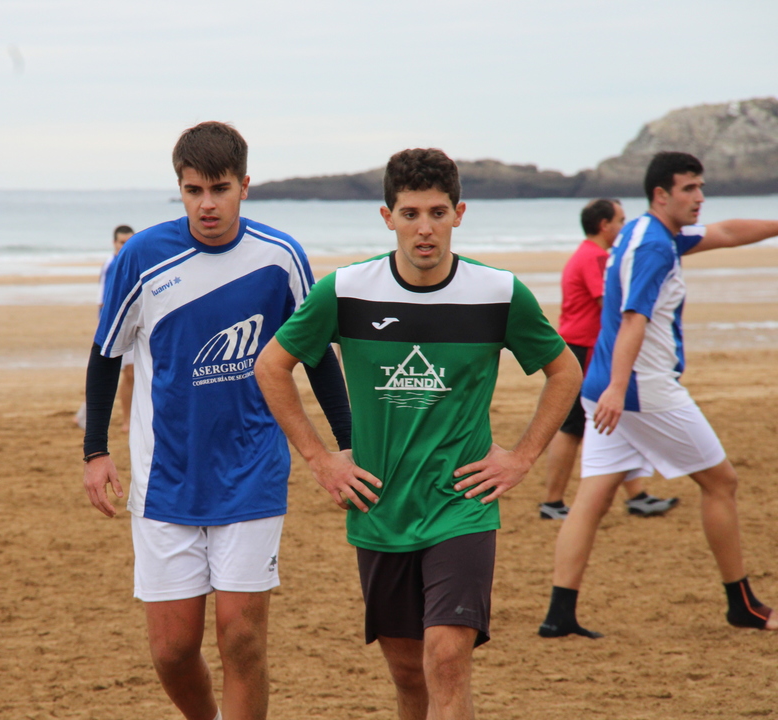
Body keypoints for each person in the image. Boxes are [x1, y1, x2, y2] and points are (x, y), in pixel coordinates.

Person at [255, 148, 580, 720]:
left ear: (459, 214)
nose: (424, 228)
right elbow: (271, 366)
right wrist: (321, 459)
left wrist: (522, 457)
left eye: (436, 212)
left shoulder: (498, 293)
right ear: (388, 218)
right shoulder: (346, 290)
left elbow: (565, 372)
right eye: (410, 214)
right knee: (408, 676)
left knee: (447, 659)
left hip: (462, 506)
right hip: (380, 508)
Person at [81, 122, 351, 720]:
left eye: (220, 189)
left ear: (244, 186)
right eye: (194, 190)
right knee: (172, 651)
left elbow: (317, 356)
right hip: (166, 478)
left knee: (242, 639)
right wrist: (95, 450)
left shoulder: (280, 257)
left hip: (251, 472)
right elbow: (105, 354)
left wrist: (346, 445)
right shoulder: (142, 256)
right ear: (179, 188)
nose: (207, 204)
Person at [539, 151, 778, 638]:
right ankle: (743, 606)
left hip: (605, 386)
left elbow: (725, 232)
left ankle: (558, 616)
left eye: (700, 186)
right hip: (638, 390)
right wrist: (619, 389)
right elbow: (633, 319)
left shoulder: (645, 232)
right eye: (689, 188)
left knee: (592, 497)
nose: (700, 196)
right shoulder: (653, 247)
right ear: (661, 195)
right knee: (721, 482)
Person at [539, 199, 679, 520]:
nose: (624, 227)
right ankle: (553, 502)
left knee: (613, 420)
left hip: (581, 347)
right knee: (573, 427)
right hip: (583, 349)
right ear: (604, 226)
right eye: (621, 220)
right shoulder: (596, 257)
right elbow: (612, 304)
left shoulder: (587, 254)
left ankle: (637, 495)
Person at [75, 224, 136, 431]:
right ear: (114, 242)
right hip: (115, 329)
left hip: (129, 326)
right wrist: (106, 331)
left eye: (128, 242)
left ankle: (85, 415)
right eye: (121, 242)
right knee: (115, 373)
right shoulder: (111, 265)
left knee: (127, 373)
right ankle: (125, 421)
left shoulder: (130, 261)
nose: (124, 246)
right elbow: (102, 301)